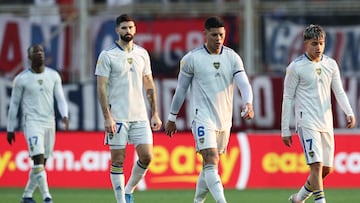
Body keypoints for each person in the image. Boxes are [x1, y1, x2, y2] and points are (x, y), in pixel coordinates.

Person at [165, 16, 254, 203]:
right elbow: (180, 90)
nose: (218, 39)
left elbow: (243, 83)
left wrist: (248, 103)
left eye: (221, 34)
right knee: (211, 159)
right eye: (214, 35)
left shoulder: (232, 57)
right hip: (202, 117)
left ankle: (198, 201)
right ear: (205, 34)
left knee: (209, 165)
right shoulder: (192, 59)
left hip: (224, 120)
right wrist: (172, 117)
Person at [281, 24, 356, 203]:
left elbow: (339, 91)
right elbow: (287, 98)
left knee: (326, 170)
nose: (318, 48)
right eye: (314, 43)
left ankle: (298, 198)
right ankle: (320, 201)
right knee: (315, 165)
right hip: (306, 121)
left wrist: (349, 112)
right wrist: (285, 129)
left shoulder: (331, 64)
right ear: (305, 44)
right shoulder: (295, 67)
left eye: (321, 43)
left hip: (325, 121)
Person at [95, 14, 162, 203]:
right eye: (124, 28)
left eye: (131, 27)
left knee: (147, 156)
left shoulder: (142, 54)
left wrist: (155, 112)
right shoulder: (107, 55)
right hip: (118, 116)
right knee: (118, 159)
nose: (128, 31)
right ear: (117, 30)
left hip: (140, 116)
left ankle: (128, 190)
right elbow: (101, 87)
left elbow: (149, 83)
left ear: (135, 29)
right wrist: (107, 117)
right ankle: (121, 201)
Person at [7, 44, 69, 203]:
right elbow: (14, 104)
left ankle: (27, 196)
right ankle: (47, 197)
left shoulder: (53, 75)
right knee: (38, 159)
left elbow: (60, 98)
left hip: (50, 123)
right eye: (35, 52)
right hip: (32, 123)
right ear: (29, 57)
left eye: (41, 51)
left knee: (42, 163)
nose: (39, 54)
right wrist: (10, 128)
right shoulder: (21, 79)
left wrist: (65, 115)